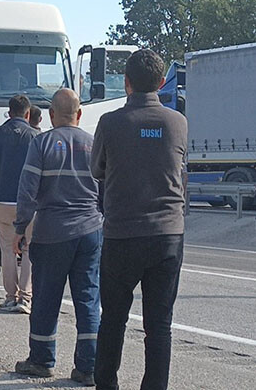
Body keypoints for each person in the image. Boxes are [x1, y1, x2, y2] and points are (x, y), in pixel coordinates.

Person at [92, 49, 188, 390]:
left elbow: (96, 170)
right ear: (161, 83)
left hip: (122, 234)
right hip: (168, 234)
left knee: (113, 319)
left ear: (126, 83)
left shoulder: (110, 122)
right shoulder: (178, 123)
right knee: (159, 325)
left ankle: (106, 384)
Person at [12, 89, 103, 386]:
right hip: (90, 231)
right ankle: (88, 367)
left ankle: (41, 360)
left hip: (52, 232)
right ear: (79, 115)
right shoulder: (94, 144)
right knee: (88, 299)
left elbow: (27, 189)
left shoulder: (42, 143)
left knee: (46, 299)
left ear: (51, 115)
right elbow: (108, 189)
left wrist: (21, 228)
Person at [0, 94, 38, 313]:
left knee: (7, 248)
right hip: (29, 201)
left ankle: (10, 297)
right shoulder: (35, 136)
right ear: (28, 114)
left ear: (9, 112)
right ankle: (26, 298)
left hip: (2, 199)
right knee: (29, 248)